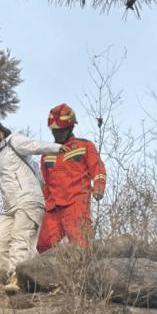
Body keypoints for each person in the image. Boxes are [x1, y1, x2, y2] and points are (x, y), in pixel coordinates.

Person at [0, 116, 64, 293]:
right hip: (10, 207)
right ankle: (18, 276)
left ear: (0, 130)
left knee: (21, 241)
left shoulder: (15, 141)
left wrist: (57, 148)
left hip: (29, 200)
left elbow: (35, 146)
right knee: (0, 244)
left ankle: (17, 279)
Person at [37, 103, 106, 253]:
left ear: (70, 127)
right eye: (54, 131)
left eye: (61, 131)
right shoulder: (47, 154)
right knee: (43, 246)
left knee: (80, 245)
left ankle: (81, 276)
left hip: (76, 203)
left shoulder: (84, 146)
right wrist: (45, 202)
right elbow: (45, 183)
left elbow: (98, 168)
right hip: (53, 207)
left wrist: (99, 187)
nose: (57, 134)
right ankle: (50, 276)